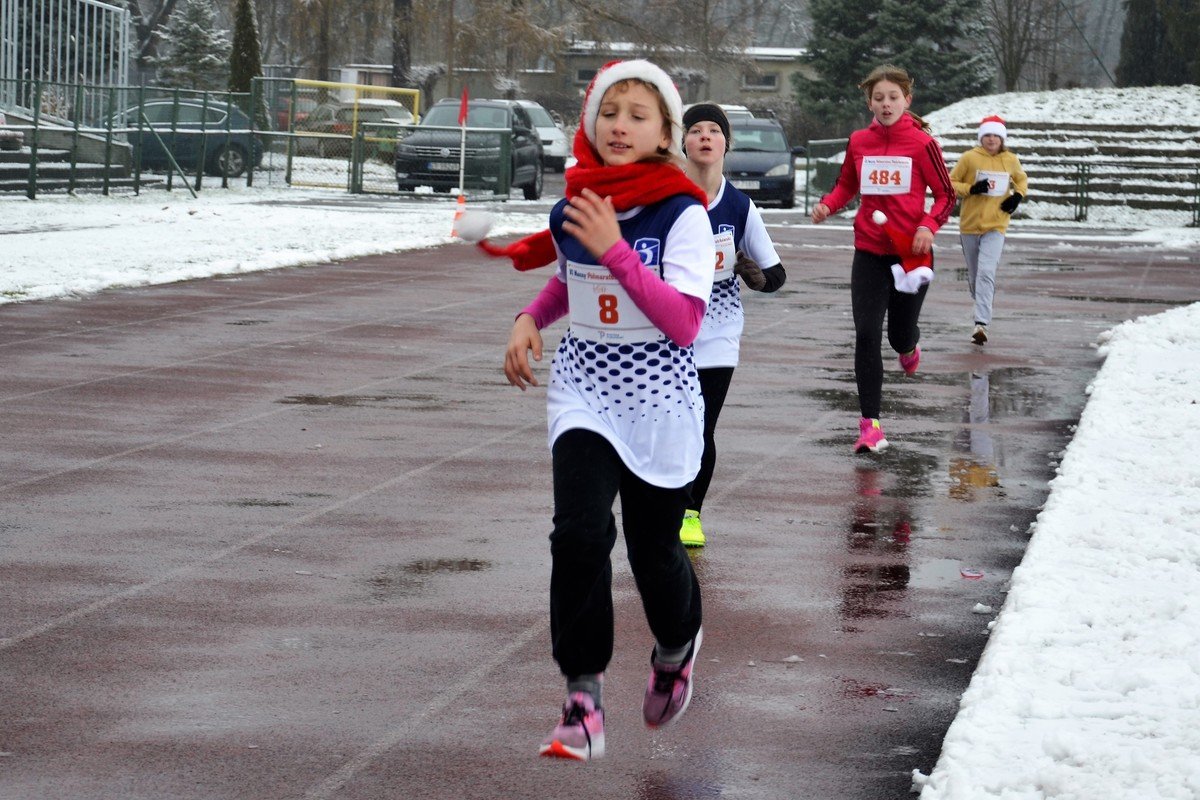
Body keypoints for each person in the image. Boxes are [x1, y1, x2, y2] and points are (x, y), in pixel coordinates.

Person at [497, 60, 714, 762]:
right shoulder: (577, 203)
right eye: (609, 110)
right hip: (585, 389)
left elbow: (682, 322)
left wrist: (617, 250)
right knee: (581, 534)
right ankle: (582, 695)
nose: (620, 123)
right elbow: (570, 279)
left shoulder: (684, 213)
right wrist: (531, 317)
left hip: (659, 400)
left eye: (638, 113)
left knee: (654, 554)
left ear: (663, 134)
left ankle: (678, 645)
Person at [810, 65, 955, 453]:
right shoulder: (859, 141)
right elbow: (846, 185)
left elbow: (946, 195)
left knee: (898, 336)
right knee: (866, 334)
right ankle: (869, 425)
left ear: (907, 100)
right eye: (879, 98)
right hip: (870, 252)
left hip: (912, 252)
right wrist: (827, 205)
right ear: (869, 102)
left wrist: (928, 226)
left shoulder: (923, 145)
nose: (886, 104)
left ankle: (910, 348)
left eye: (893, 97)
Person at [677, 102, 786, 547]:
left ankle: (689, 514)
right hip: (665, 333)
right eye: (696, 129)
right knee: (670, 425)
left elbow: (776, 274)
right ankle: (661, 500)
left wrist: (755, 276)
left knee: (701, 426)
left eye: (714, 131)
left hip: (717, 332)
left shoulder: (740, 207)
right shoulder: (664, 199)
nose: (705, 136)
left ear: (726, 143)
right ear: (683, 141)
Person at [949, 115, 1028, 345]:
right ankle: (980, 299)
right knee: (976, 276)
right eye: (987, 135)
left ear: (1002, 138)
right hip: (970, 226)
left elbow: (1022, 181)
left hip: (996, 225)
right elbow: (951, 183)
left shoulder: (1011, 160)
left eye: (995, 135)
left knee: (986, 272)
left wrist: (1017, 197)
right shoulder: (969, 158)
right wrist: (971, 188)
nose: (991, 139)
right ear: (981, 137)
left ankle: (981, 323)